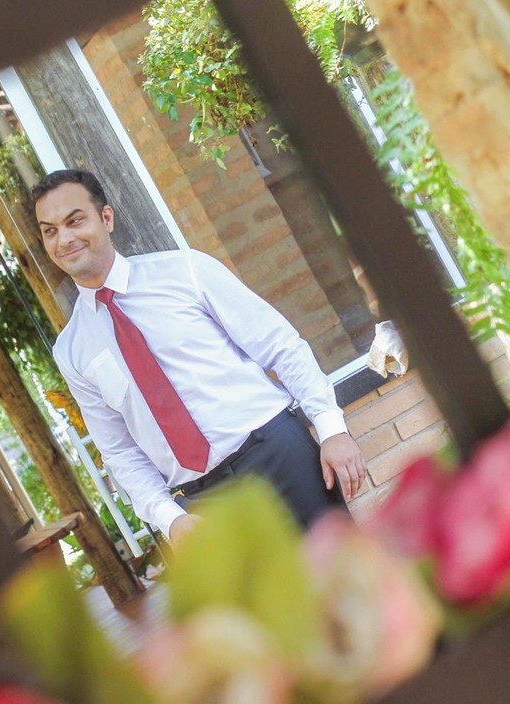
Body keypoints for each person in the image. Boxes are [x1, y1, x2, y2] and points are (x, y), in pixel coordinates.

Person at [34, 169, 366, 544]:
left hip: (279, 455)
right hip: (206, 503)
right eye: (50, 230)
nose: (64, 238)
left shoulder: (185, 271)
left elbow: (280, 345)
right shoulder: (73, 349)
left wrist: (332, 429)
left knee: (350, 589)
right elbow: (119, 449)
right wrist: (169, 517)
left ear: (106, 218)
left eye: (75, 221)